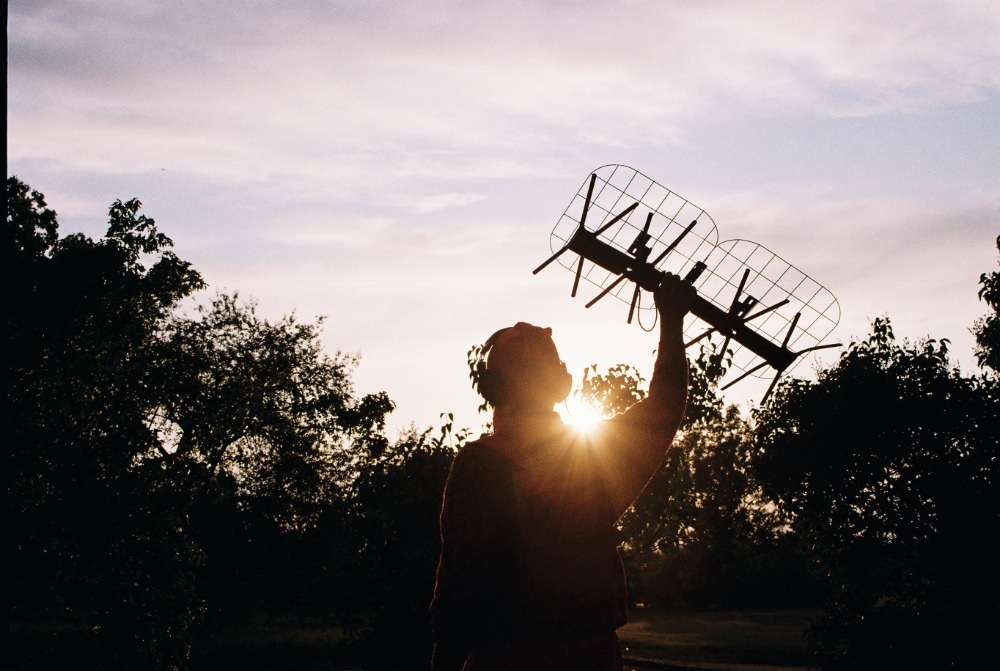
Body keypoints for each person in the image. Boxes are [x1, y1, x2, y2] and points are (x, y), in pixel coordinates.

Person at [430, 273, 695, 671]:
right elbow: (666, 406)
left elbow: (458, 591)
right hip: (592, 658)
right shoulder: (591, 462)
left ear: (491, 389)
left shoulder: (481, 466)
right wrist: (671, 321)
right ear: (561, 383)